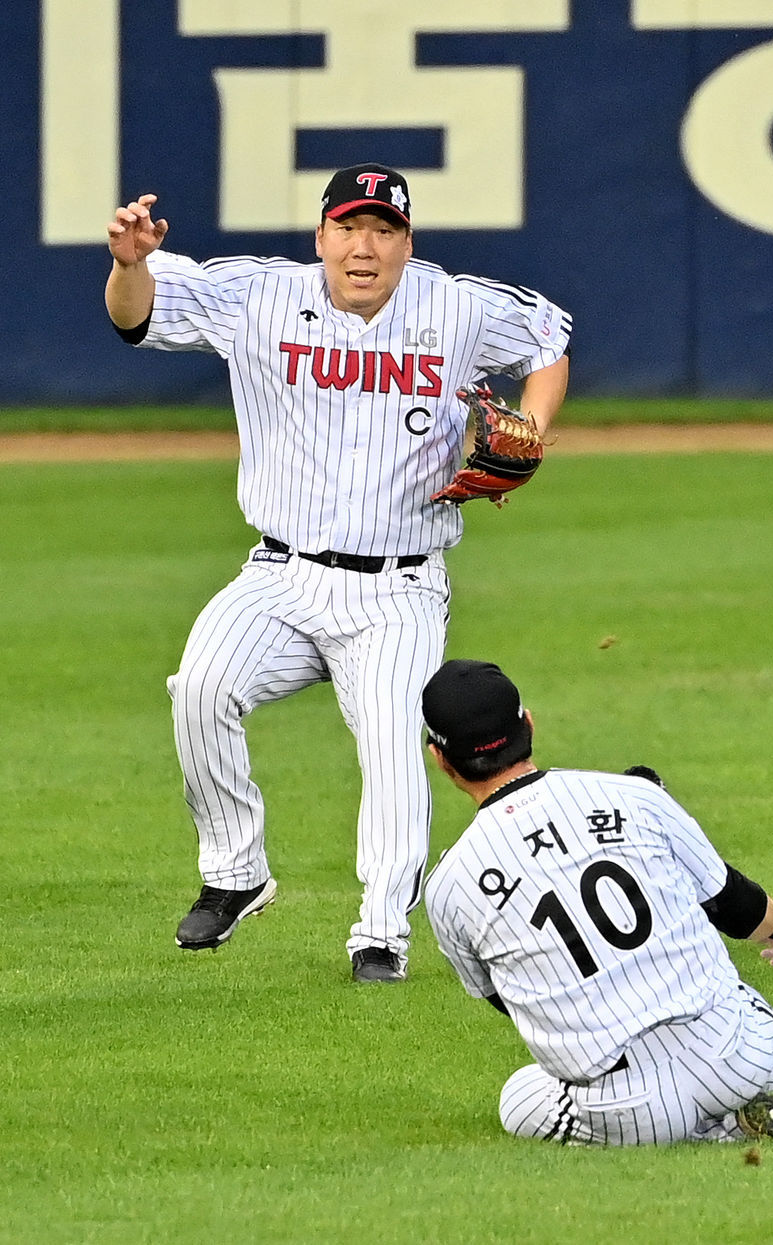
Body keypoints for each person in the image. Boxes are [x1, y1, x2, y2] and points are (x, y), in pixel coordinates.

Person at [105, 165, 570, 982]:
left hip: (398, 586)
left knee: (394, 745)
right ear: (321, 238)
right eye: (349, 229)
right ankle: (235, 872)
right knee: (200, 686)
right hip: (278, 575)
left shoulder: (454, 306)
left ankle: (381, 934)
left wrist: (530, 421)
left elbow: (547, 339)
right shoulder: (258, 296)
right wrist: (130, 263)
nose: (365, 246)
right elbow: (135, 318)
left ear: (406, 244)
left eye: (384, 230)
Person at [421, 659, 773, 1145]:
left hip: (625, 1108)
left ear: (441, 759)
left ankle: (717, 1131)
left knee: (521, 1097)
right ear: (529, 724)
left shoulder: (447, 887)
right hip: (729, 1051)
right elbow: (730, 904)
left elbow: (509, 999)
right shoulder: (632, 795)